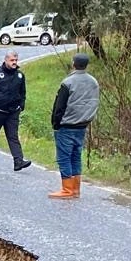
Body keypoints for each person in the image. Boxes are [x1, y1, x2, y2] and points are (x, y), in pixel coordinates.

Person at [48, 52, 100, 200]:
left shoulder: (68, 82)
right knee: (76, 156)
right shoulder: (93, 82)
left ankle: (67, 189)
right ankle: (76, 188)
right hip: (83, 124)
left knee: (64, 157)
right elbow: (93, 101)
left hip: (67, 125)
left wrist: (55, 123)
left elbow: (60, 106)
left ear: (73, 63)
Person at [0, 50, 33, 173]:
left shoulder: (20, 76)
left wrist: (21, 106)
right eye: (12, 60)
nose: (14, 63)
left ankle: (18, 161)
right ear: (6, 60)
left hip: (12, 113)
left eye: (16, 60)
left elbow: (23, 92)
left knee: (13, 137)